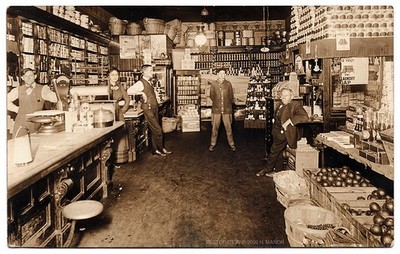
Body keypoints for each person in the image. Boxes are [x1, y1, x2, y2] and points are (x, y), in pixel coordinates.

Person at [256, 88, 309, 177]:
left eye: (286, 95)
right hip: (277, 131)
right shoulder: (280, 105)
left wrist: (289, 121)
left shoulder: (295, 105)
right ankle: (278, 171)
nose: (283, 97)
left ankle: (267, 169)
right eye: (282, 95)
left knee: (274, 151)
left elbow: (304, 117)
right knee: (279, 152)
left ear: (291, 97)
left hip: (285, 133)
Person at [128, 65, 171, 157]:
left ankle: (156, 150)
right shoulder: (140, 83)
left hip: (154, 107)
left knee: (154, 130)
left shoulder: (149, 82)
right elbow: (129, 91)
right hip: (148, 108)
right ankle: (160, 148)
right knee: (158, 129)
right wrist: (141, 93)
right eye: (150, 71)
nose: (152, 73)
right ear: (145, 72)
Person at [7, 68, 58, 138]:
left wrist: (60, 91)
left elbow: (55, 98)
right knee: (18, 146)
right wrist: (17, 109)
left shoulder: (43, 89)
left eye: (30, 75)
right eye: (26, 76)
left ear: (35, 76)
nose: (28, 78)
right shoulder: (18, 89)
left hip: (36, 124)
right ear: (22, 78)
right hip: (21, 125)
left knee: (36, 146)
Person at [209, 68, 236, 152]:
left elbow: (231, 96)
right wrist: (218, 102)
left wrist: (226, 103)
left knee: (228, 128)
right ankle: (212, 144)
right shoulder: (213, 84)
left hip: (227, 110)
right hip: (216, 109)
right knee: (214, 128)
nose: (222, 75)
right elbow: (211, 96)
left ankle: (232, 144)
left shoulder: (228, 84)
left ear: (225, 75)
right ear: (217, 74)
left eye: (223, 73)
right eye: (220, 73)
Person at [108, 67, 131, 164]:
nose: (114, 77)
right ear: (108, 76)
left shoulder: (120, 86)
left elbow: (127, 99)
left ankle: (119, 159)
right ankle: (110, 160)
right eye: (112, 75)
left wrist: (123, 110)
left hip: (118, 111)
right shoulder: (105, 86)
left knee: (120, 133)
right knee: (110, 135)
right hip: (108, 111)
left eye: (116, 75)